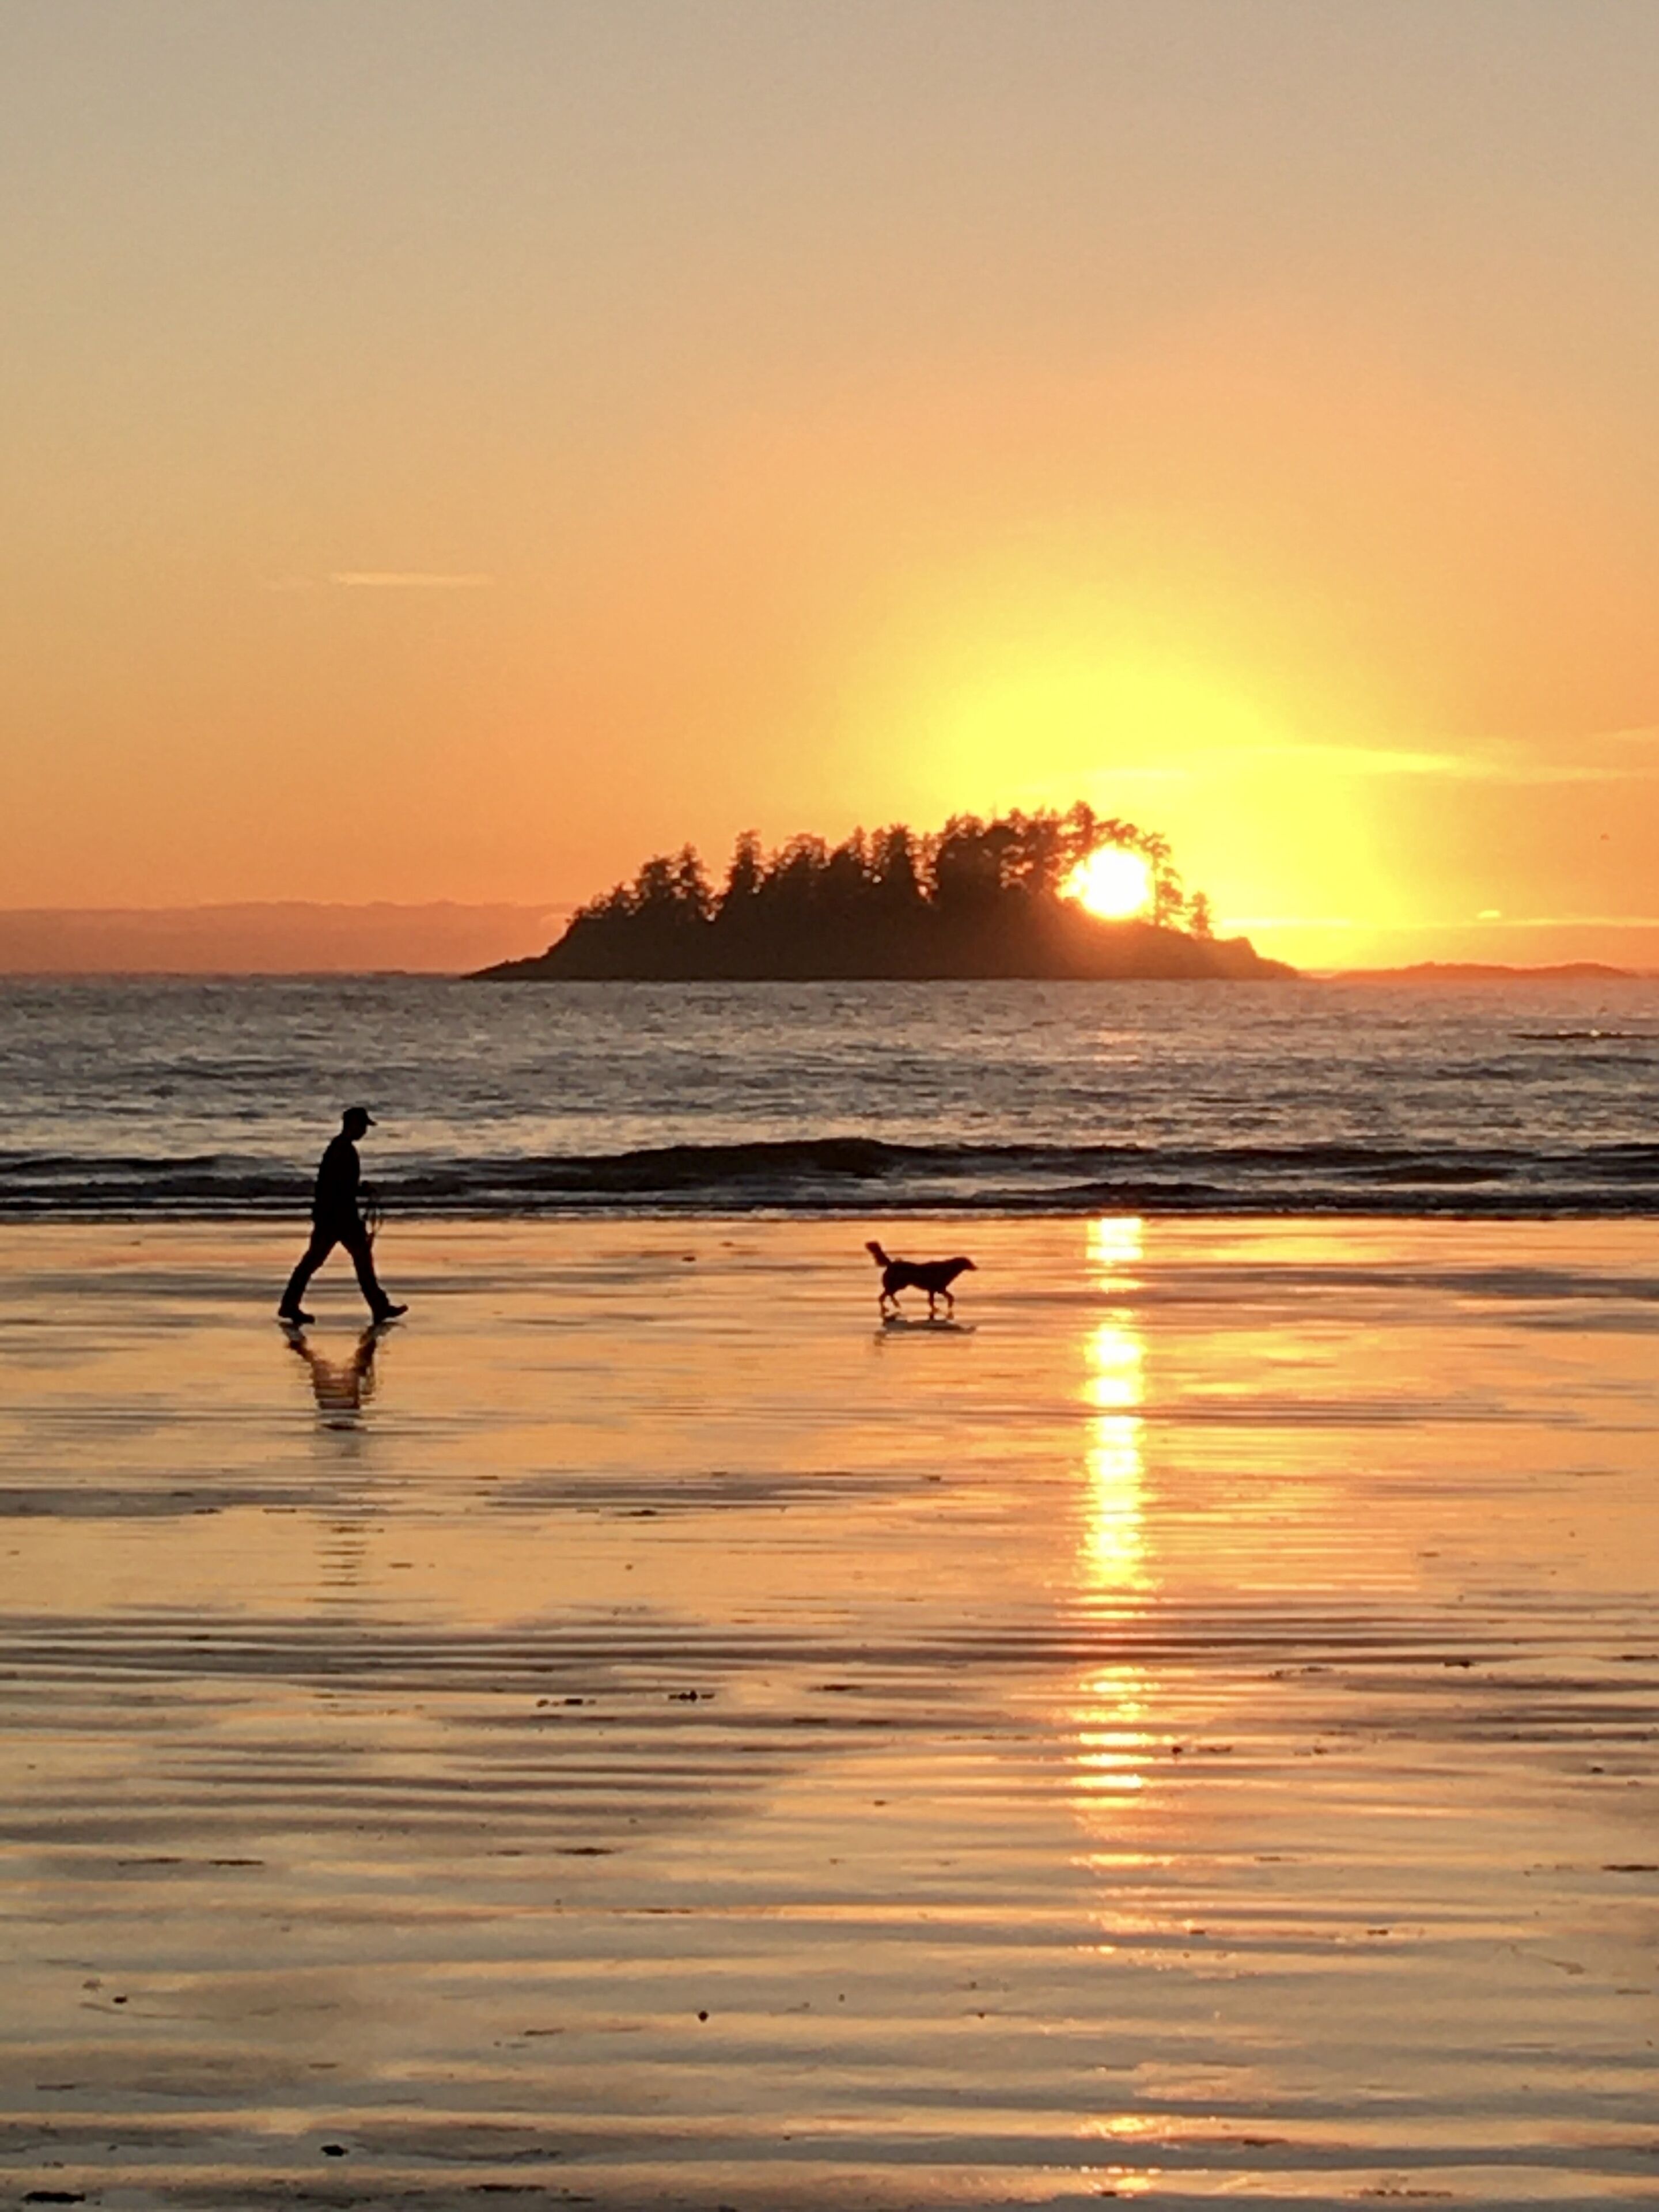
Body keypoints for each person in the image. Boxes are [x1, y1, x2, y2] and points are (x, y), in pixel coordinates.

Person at [277, 1107, 407, 1324]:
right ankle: (379, 1307)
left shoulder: (338, 1149)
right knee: (356, 1261)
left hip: (332, 1216)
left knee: (318, 1261)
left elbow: (332, 1186)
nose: (364, 1131)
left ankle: (290, 1304)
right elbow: (339, 1188)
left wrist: (356, 1192)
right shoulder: (342, 1151)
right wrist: (360, 1191)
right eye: (363, 1126)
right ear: (352, 1125)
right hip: (339, 1217)